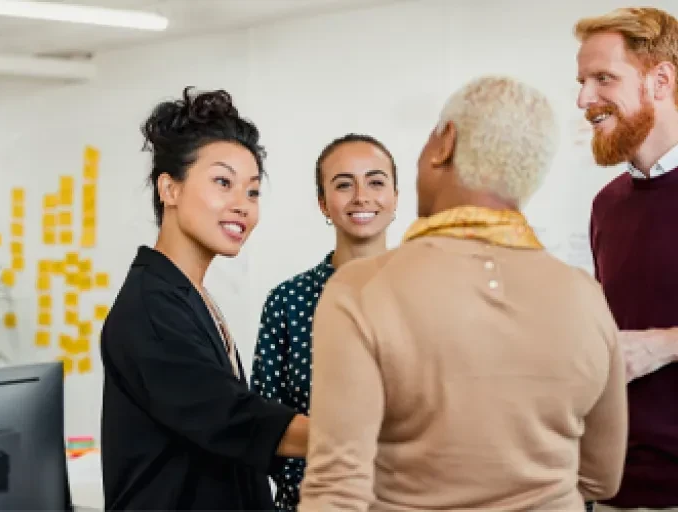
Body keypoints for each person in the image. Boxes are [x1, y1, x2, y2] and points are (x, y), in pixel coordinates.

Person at [298, 76, 628, 511]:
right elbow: (601, 478)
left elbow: (336, 491)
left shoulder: (360, 290)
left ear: (445, 143)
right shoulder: (585, 297)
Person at [99, 87, 308, 510]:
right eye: (222, 182)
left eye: (252, 191)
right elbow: (233, 418)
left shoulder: (188, 294)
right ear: (169, 189)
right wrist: (374, 437)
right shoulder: (151, 309)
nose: (242, 206)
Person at [250, 134, 398, 511]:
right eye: (344, 184)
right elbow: (263, 425)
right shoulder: (287, 303)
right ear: (323, 203)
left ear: (395, 198)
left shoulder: (429, 293)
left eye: (376, 182)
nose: (361, 196)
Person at [575, 7, 678, 511]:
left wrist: (665, 344)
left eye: (603, 79)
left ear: (660, 80)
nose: (583, 100)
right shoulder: (606, 206)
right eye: (581, 81)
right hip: (613, 489)